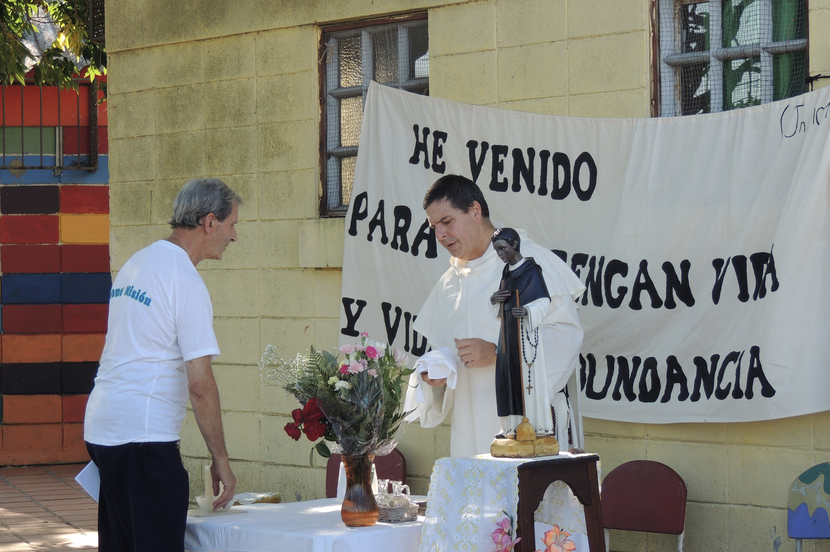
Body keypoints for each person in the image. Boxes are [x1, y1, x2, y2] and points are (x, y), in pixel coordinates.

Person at [84, 178, 241, 552]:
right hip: (142, 438)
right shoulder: (184, 280)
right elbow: (200, 385)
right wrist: (221, 459)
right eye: (232, 224)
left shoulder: (138, 263)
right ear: (209, 222)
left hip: (104, 428)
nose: (234, 236)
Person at [405, 174, 585, 457]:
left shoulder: (529, 264)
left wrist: (501, 354)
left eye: (447, 222)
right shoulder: (450, 284)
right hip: (469, 432)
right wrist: (437, 376)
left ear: (475, 211)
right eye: (434, 226)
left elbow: (566, 335)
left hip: (528, 429)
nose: (439, 235)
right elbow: (448, 362)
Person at [490, 227, 556, 438]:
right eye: (497, 250)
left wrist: (527, 311)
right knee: (505, 377)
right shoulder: (506, 272)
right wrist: (495, 299)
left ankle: (535, 427)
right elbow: (499, 305)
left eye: (503, 249)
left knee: (527, 381)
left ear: (514, 245)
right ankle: (510, 428)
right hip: (507, 335)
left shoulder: (531, 270)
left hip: (525, 336)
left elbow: (544, 302)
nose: (500, 254)